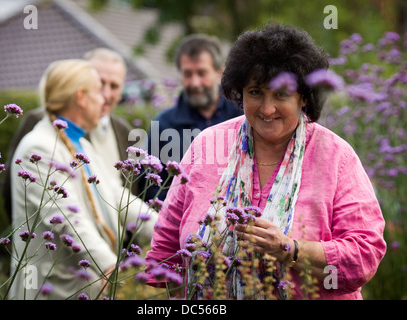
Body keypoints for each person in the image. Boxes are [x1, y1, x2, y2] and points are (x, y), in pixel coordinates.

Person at [145, 23, 386, 299]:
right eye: (256, 92)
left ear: (304, 96)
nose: (267, 109)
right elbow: (165, 248)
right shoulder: (207, 145)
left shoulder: (335, 156)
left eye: (281, 94)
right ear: (240, 92)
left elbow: (364, 255)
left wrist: (291, 249)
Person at [9, 59, 157, 299]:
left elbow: (118, 197)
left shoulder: (82, 144)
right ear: (81, 97)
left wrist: (168, 231)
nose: (105, 99)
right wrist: (109, 265)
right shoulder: (38, 147)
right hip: (53, 290)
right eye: (99, 90)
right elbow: (67, 218)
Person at [1, 48, 137, 221]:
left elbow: (125, 192)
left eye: (114, 86)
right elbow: (15, 189)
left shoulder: (124, 131)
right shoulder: (42, 124)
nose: (106, 94)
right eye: (100, 84)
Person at [141, 34, 243, 201]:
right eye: (188, 74)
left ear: (219, 73)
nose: (195, 83)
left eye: (201, 73)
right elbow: (151, 190)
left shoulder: (242, 115)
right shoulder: (163, 126)